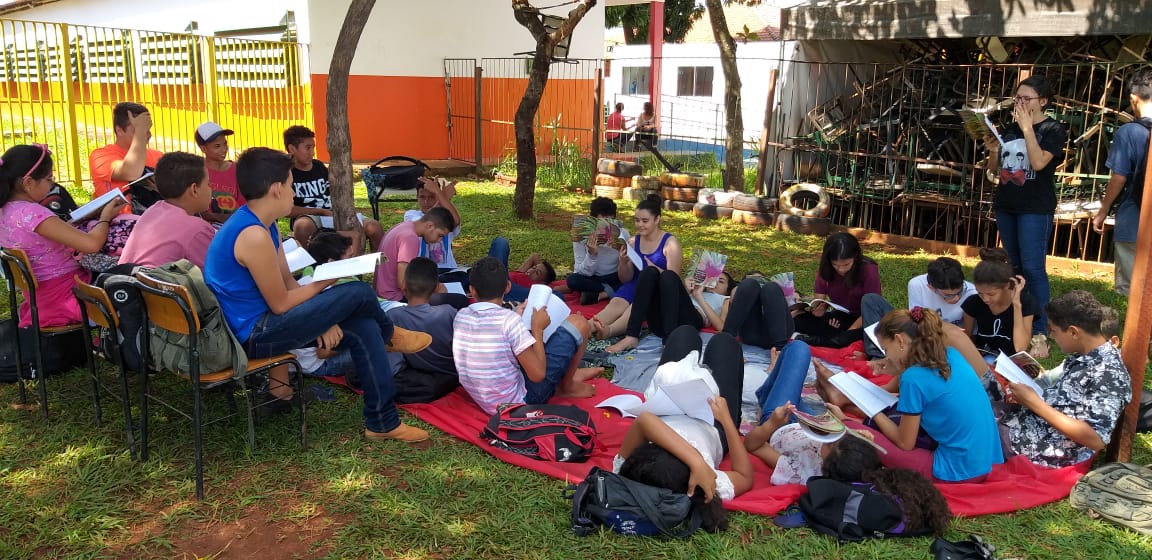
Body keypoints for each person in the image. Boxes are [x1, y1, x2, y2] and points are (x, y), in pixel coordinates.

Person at [203, 147, 430, 442]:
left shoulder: (264, 225)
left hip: (268, 321)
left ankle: (382, 422)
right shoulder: (253, 236)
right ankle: (390, 334)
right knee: (359, 291)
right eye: (289, 184)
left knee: (363, 328)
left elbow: (287, 282)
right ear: (275, 189)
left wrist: (322, 318)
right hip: (253, 335)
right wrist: (325, 284)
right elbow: (281, 303)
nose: (293, 192)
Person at [615, 325, 755, 532]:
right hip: (714, 424)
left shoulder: (628, 473)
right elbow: (745, 476)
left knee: (683, 333)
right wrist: (726, 420)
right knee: (725, 342)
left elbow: (645, 420)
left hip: (667, 406)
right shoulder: (704, 484)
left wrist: (695, 461)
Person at [842, 307, 1004, 483]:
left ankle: (845, 418)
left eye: (886, 349)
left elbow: (905, 443)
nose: (886, 355)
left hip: (958, 471)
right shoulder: (950, 354)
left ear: (899, 340)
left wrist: (873, 411)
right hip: (985, 461)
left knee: (865, 436)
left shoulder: (913, 378)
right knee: (896, 414)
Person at [452, 256, 600, 415]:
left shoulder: (462, 315)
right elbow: (537, 375)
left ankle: (568, 378)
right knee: (579, 323)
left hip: (484, 398)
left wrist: (517, 315)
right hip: (520, 402)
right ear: (508, 287)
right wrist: (537, 329)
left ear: (472, 290)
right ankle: (567, 386)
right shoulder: (508, 321)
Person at [985, 75, 1067, 359]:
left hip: (1035, 207)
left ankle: (1042, 330)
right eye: (1017, 98)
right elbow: (996, 170)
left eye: (1026, 98)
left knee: (1033, 269)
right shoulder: (1010, 127)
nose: (1019, 103)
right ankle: (1021, 320)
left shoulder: (1053, 129)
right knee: (1015, 266)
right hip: (1007, 203)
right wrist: (993, 151)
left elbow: (1039, 162)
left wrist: (1027, 130)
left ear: (1042, 101)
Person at [1000, 291, 1131, 468]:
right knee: (975, 407)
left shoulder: (1108, 374)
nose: (1052, 337)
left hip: (1040, 447)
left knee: (968, 424)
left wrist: (1034, 402)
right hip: (1029, 425)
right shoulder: (1086, 355)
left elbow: (1096, 439)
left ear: (1073, 332)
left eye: (1053, 331)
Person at [0, 144, 127, 327]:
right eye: (49, 179)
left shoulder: (6, 211)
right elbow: (92, 245)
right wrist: (105, 217)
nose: (52, 185)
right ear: (28, 182)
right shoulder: (33, 214)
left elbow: (41, 238)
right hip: (67, 293)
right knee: (128, 273)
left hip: (40, 296)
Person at [1094, 67, 1152, 296]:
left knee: (1132, 291)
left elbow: (1119, 177)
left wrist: (1103, 210)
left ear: (1133, 99)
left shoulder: (1129, 132)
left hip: (1134, 221)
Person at [592, 194, 683, 340]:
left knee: (635, 306)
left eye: (645, 221)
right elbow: (625, 279)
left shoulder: (670, 243)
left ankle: (609, 331)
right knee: (616, 304)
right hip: (635, 283)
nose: (640, 225)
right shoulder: (634, 241)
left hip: (657, 289)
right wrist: (623, 262)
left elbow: (673, 282)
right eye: (637, 220)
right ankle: (588, 326)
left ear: (657, 219)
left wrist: (655, 270)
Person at [283, 125, 384, 252]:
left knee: (374, 227)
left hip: (334, 213)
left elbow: (334, 192)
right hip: (310, 217)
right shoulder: (288, 173)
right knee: (302, 227)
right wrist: (320, 211)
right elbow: (287, 210)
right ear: (292, 148)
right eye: (307, 148)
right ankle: (315, 268)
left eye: (313, 147)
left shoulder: (319, 166)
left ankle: (379, 270)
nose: (312, 152)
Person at [859, 256, 975, 358]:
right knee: (870, 300)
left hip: (949, 344)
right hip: (920, 333)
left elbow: (969, 335)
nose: (956, 299)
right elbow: (916, 324)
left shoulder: (972, 292)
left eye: (960, 292)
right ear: (931, 288)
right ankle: (878, 355)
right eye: (948, 295)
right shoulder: (917, 285)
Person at [119, 152, 217, 268]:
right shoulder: (198, 229)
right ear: (194, 189)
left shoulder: (153, 210)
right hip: (155, 285)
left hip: (127, 280)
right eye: (208, 184)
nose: (212, 188)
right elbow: (217, 274)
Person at [604, 268, 733, 353]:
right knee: (649, 272)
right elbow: (672, 296)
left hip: (688, 322)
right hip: (662, 321)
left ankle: (669, 342)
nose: (715, 283)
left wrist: (699, 297)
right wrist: (687, 290)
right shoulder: (696, 289)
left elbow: (721, 327)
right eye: (714, 279)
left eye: (720, 281)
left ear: (728, 289)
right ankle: (631, 336)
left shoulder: (725, 299)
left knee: (669, 275)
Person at [386, 257, 461, 404]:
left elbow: (394, 364)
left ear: (403, 284)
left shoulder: (393, 316)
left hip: (419, 371)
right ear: (437, 288)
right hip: (451, 373)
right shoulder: (448, 313)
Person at [793, 232, 881, 348]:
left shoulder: (869, 270)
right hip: (841, 316)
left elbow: (871, 309)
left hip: (864, 319)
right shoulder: (826, 268)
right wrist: (821, 308)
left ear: (856, 256)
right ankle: (830, 339)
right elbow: (819, 300)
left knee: (849, 338)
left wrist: (848, 332)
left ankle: (818, 340)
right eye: (836, 265)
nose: (841, 269)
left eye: (846, 264)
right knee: (800, 321)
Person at [961, 247, 1036, 359]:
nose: (985, 299)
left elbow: (1021, 348)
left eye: (991, 294)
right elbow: (965, 340)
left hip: (1010, 363)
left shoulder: (1024, 302)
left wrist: (1016, 305)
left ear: (1006, 285)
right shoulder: (973, 303)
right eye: (980, 293)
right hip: (982, 359)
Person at [88, 101, 164, 210]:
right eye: (137, 129)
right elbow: (131, 172)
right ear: (119, 130)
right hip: (122, 222)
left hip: (156, 218)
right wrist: (140, 131)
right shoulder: (100, 156)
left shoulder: (158, 156)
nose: (147, 134)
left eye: (147, 129)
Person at [374, 206, 455, 302]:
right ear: (430, 226)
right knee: (457, 300)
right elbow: (403, 283)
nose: (439, 241)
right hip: (394, 298)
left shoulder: (402, 227)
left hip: (381, 293)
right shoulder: (410, 238)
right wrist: (435, 288)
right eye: (440, 235)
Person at [404, 177, 464, 280]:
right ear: (417, 197)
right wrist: (443, 196)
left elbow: (456, 220)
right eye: (422, 197)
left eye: (432, 197)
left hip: (447, 271)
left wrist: (441, 195)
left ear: (437, 198)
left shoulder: (446, 214)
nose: (426, 201)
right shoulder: (410, 215)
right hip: (422, 273)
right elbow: (427, 220)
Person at [565, 196, 621, 305]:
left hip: (613, 276)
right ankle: (608, 291)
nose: (606, 226)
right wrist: (592, 255)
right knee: (572, 280)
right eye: (602, 221)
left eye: (611, 221)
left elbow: (626, 272)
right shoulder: (581, 236)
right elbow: (579, 271)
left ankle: (600, 294)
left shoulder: (622, 234)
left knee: (636, 279)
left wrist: (623, 256)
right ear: (593, 221)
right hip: (591, 278)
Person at [721, 273, 797, 351]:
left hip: (779, 331)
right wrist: (738, 291)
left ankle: (780, 348)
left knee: (771, 288)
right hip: (750, 332)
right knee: (749, 284)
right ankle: (725, 340)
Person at [194, 121, 245, 223]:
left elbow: (243, 203)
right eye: (217, 146)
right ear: (203, 148)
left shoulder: (237, 169)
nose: (224, 149)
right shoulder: (197, 171)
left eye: (225, 144)